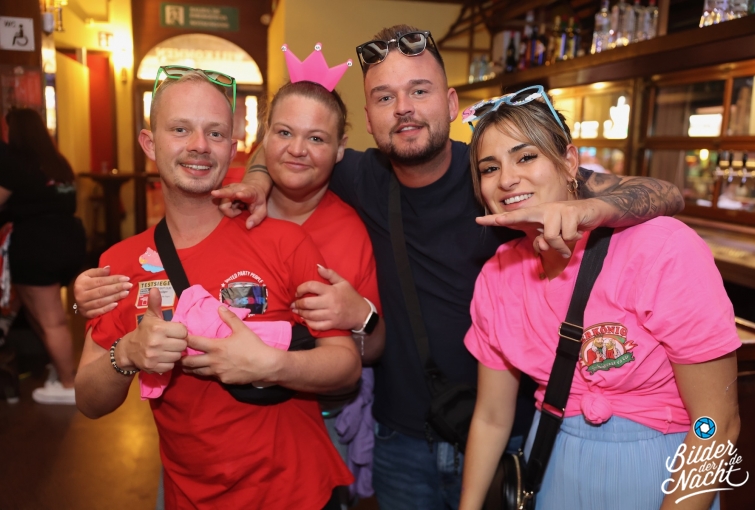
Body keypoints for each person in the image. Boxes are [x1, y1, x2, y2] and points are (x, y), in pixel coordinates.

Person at [76, 25, 685, 509]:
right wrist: (257, 177)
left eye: (420, 91)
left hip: (514, 430)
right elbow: (283, 143)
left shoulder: (499, 174)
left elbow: (661, 192)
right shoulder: (356, 174)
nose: (405, 109)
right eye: (385, 97)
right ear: (367, 121)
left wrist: (590, 207)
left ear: (451, 103)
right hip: (402, 436)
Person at [74, 68, 360, 509]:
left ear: (233, 145)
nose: (199, 146)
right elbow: (88, 400)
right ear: (149, 143)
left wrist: (273, 365)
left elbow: (345, 364)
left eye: (215, 133)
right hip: (190, 496)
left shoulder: (284, 242)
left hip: (298, 492)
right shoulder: (121, 264)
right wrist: (127, 353)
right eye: (180, 129)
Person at [459, 88, 741, 510]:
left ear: (569, 162)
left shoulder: (661, 247)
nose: (506, 179)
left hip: (665, 475)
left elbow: (717, 423)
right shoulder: (498, 275)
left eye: (526, 157)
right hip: (551, 468)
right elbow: (492, 417)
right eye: (489, 167)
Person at [0, 109, 86, 405]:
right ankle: (58, 367)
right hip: (68, 241)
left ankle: (69, 383)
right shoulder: (57, 162)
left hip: (36, 245)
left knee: (52, 320)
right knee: (38, 312)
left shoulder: (15, 163)